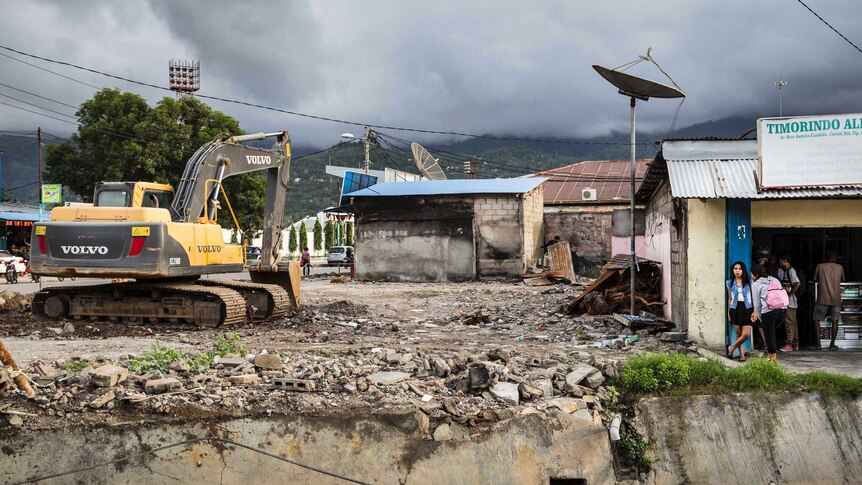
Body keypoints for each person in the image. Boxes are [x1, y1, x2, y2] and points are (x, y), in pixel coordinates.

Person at [751, 264, 785, 363]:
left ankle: (772, 359)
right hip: (782, 310)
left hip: (769, 311)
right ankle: (772, 357)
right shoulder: (774, 280)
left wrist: (761, 319)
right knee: (772, 333)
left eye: (752, 274)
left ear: (756, 274)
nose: (751, 277)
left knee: (769, 335)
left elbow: (757, 305)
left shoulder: (756, 284)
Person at [813, 251, 845, 350]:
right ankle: (832, 344)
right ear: (835, 258)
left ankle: (818, 344)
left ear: (825, 257)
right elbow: (843, 280)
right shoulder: (839, 267)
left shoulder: (820, 266)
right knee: (835, 321)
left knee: (816, 320)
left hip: (822, 298)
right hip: (836, 299)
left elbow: (814, 279)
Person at [726, 261, 754, 362]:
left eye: (740, 269)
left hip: (747, 308)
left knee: (746, 334)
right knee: (738, 334)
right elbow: (730, 298)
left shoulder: (749, 282)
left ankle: (732, 348)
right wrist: (728, 312)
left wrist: (754, 311)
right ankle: (742, 356)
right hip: (735, 308)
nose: (737, 271)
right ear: (733, 270)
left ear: (743, 270)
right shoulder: (729, 282)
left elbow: (754, 297)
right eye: (735, 269)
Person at [777, 255, 801, 352]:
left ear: (785, 261)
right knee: (793, 322)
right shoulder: (785, 271)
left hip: (790, 302)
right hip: (789, 301)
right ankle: (795, 343)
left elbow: (797, 283)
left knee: (789, 322)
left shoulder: (791, 271)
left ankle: (789, 344)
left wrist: (789, 294)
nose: (779, 263)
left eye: (780, 261)